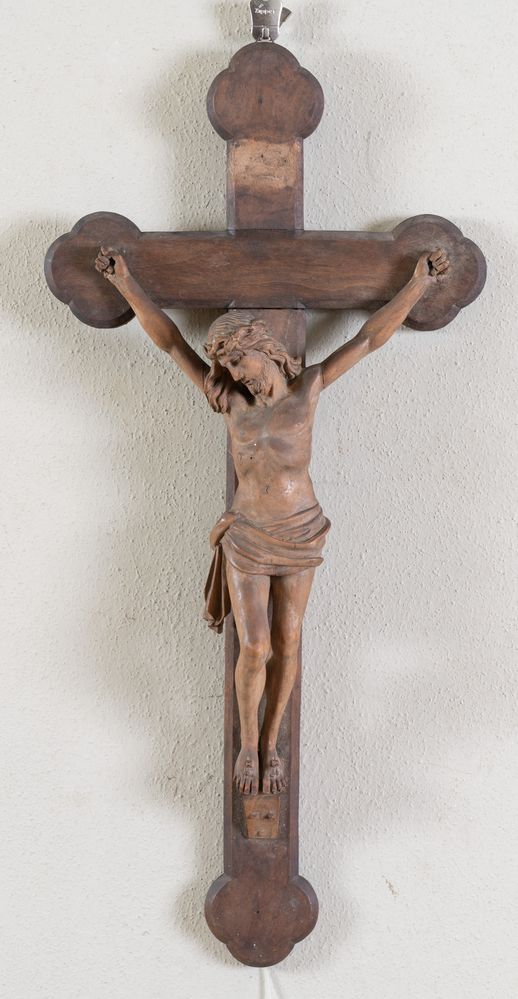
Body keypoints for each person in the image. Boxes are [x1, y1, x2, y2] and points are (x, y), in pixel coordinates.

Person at [95, 246, 450, 795]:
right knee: (254, 646)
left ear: (265, 350)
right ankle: (246, 744)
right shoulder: (231, 404)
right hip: (246, 536)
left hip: (300, 530)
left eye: (242, 361)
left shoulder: (308, 391)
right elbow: (170, 342)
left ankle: (271, 741)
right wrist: (125, 284)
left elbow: (368, 339)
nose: (236, 373)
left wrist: (418, 284)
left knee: (288, 641)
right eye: (229, 366)